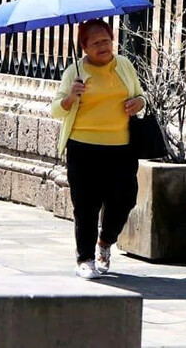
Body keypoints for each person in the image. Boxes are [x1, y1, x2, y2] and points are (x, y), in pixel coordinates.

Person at [51, 19, 146, 279]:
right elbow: (57, 109)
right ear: (84, 47)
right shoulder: (75, 72)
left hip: (122, 147)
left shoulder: (124, 66)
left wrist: (138, 102)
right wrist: (72, 96)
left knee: (125, 199)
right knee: (86, 205)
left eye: (106, 40)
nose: (103, 46)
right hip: (83, 148)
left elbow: (140, 95)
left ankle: (105, 242)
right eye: (95, 43)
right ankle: (85, 258)